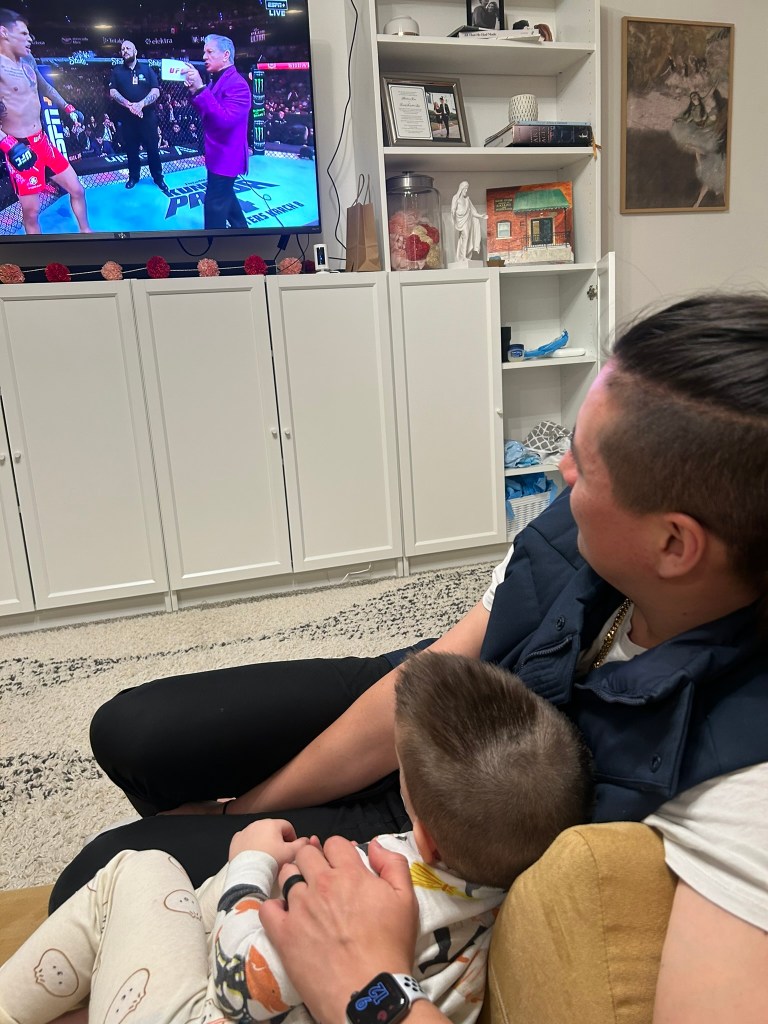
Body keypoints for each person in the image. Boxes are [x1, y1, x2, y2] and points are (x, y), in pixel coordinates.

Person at [52, 292, 768, 1021]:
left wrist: (370, 988)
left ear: (673, 543)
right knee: (132, 733)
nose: (560, 471)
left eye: (585, 463)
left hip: (460, 828)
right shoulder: (582, 540)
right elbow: (424, 680)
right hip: (443, 714)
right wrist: (251, 811)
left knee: (98, 872)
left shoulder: (747, 783)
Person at [0, 654, 592, 1023]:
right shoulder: (489, 896)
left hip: (210, 1007)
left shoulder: (392, 904)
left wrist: (249, 864)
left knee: (139, 868)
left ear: (427, 841)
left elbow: (240, 988)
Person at [0, 8, 91, 234]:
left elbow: (46, 88)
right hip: (19, 146)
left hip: (42, 141)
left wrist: (68, 108)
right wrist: (9, 145)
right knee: (32, 212)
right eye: (23, 33)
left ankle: (87, 232)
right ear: (4, 33)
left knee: (77, 190)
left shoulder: (28, 59)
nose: (30, 38)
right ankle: (37, 250)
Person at [183, 34, 250, 230]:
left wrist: (201, 89)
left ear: (226, 55)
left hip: (227, 159)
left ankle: (213, 248)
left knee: (214, 208)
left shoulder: (237, 84)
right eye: (204, 52)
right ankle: (244, 233)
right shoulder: (218, 80)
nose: (204, 56)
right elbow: (207, 112)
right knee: (227, 201)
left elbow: (224, 120)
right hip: (217, 154)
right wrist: (195, 91)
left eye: (210, 52)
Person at [109, 39, 171, 195]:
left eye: (128, 48)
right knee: (131, 149)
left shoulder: (147, 69)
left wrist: (141, 104)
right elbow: (113, 92)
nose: (125, 51)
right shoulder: (117, 71)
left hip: (147, 117)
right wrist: (129, 105)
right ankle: (133, 177)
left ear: (135, 51)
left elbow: (155, 91)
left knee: (153, 149)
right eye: (123, 49)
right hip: (127, 117)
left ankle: (158, 178)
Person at [450, 180, 486, 263]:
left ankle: (465, 256)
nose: (466, 191)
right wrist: (453, 213)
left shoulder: (467, 200)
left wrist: (481, 216)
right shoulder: (456, 197)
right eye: (465, 189)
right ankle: (463, 257)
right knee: (465, 236)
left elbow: (473, 211)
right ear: (461, 188)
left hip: (467, 220)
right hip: (460, 220)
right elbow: (453, 209)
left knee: (468, 237)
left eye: (467, 189)